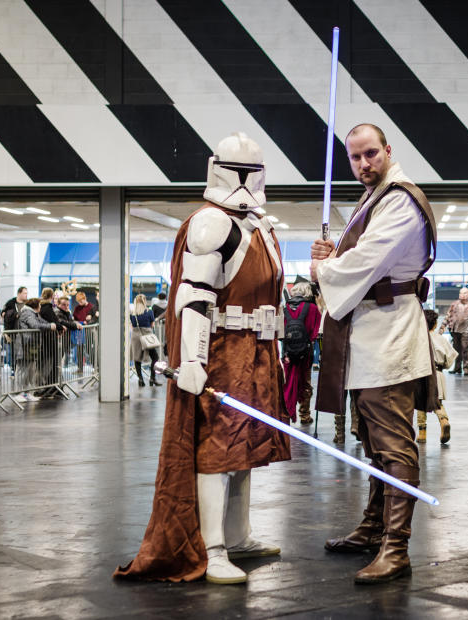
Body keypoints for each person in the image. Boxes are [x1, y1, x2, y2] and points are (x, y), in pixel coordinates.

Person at [115, 133, 291, 585]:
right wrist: (192, 361)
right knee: (218, 449)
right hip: (223, 354)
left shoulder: (261, 227)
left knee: (245, 448)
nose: (246, 181)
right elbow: (193, 298)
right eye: (241, 171)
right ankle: (212, 546)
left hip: (256, 353)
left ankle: (237, 534)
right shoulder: (211, 224)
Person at [311, 123, 437, 584]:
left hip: (388, 334)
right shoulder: (377, 197)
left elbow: (367, 261)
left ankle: (396, 547)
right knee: (372, 439)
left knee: (394, 443)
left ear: (388, 149)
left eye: (370, 154)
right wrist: (332, 254)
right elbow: (358, 254)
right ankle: (373, 527)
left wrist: (325, 267)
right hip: (369, 333)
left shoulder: (400, 198)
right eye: (355, 157)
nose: (363, 164)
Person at [281, 280, 321, 427]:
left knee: (288, 382)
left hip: (288, 353)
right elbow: (316, 333)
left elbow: (281, 332)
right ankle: (305, 415)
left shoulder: (285, 308)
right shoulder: (312, 308)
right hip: (306, 353)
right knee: (305, 381)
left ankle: (286, 412)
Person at [416, 309, 454, 444]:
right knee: (437, 401)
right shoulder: (440, 339)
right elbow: (450, 358)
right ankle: (444, 420)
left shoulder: (418, 338)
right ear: (435, 324)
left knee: (420, 402)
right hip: (437, 372)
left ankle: (422, 433)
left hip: (422, 372)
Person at [13, 298, 57, 402]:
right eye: (40, 305)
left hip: (31, 346)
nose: (41, 307)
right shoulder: (28, 313)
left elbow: (41, 322)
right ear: (36, 306)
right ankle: (19, 393)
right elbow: (35, 325)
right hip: (25, 346)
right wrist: (50, 326)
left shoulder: (32, 314)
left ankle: (27, 393)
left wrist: (54, 325)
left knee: (30, 371)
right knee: (22, 370)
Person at [35, 288, 66, 398]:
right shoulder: (47, 308)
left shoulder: (41, 307)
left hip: (46, 340)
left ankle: (51, 387)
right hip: (49, 340)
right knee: (53, 364)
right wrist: (60, 327)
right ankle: (52, 387)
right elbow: (54, 321)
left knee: (50, 364)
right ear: (51, 296)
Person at [129, 293, 161, 388]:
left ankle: (141, 379)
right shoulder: (149, 312)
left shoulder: (133, 314)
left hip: (136, 337)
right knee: (155, 357)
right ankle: (152, 378)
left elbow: (132, 326)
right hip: (147, 337)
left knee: (137, 359)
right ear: (144, 301)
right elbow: (152, 325)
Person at [443, 287, 468, 375]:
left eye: (465, 293)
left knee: (465, 349)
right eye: (461, 293)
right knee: (456, 350)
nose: (463, 295)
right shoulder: (454, 304)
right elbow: (448, 315)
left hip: (466, 330)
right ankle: (457, 368)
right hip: (455, 330)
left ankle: (466, 368)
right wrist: (442, 327)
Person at [2, 286, 28, 375]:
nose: (26, 295)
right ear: (19, 293)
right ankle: (14, 368)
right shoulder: (10, 303)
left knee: (24, 351)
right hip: (13, 331)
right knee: (13, 351)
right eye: (25, 293)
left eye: (26, 293)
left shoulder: (27, 304)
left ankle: (22, 368)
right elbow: (4, 314)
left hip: (25, 332)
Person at [71, 291, 97, 371]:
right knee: (79, 349)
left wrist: (88, 321)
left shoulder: (91, 307)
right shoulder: (77, 308)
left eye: (81, 301)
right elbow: (74, 318)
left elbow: (94, 319)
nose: (80, 303)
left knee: (89, 349)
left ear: (85, 298)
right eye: (78, 301)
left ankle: (95, 366)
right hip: (79, 331)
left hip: (89, 331)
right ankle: (80, 367)